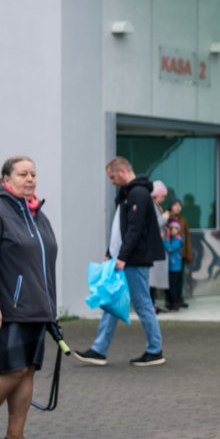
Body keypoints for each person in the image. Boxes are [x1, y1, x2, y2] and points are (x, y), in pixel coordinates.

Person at [0, 155, 58, 439]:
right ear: (7, 179)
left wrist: (50, 309)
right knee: (12, 370)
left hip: (36, 309)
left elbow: (42, 264)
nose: (30, 179)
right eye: (23, 174)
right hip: (6, 309)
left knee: (28, 370)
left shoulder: (36, 215)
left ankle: (15, 436)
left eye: (33, 173)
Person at [76, 157, 167, 367]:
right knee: (112, 302)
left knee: (141, 303)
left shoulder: (137, 193)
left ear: (122, 171)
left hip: (131, 260)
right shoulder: (131, 193)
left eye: (112, 176)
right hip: (125, 259)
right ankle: (99, 350)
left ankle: (155, 350)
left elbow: (135, 229)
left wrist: (122, 256)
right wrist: (111, 252)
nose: (111, 181)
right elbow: (124, 228)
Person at [148, 180, 170, 312]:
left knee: (154, 279)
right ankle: (151, 306)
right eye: (163, 195)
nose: (164, 198)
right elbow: (153, 224)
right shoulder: (152, 205)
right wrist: (165, 217)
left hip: (156, 246)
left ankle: (153, 305)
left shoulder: (155, 205)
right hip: (153, 247)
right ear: (156, 194)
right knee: (151, 278)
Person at [166, 198, 193, 305]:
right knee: (169, 279)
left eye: (179, 205)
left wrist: (188, 253)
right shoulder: (166, 218)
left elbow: (187, 238)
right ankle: (170, 300)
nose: (178, 207)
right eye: (175, 205)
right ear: (171, 206)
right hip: (168, 253)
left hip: (180, 254)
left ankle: (178, 299)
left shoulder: (183, 220)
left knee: (179, 278)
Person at [164, 221, 186, 312]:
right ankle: (172, 303)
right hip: (172, 266)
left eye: (174, 228)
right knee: (172, 286)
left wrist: (164, 240)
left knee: (173, 286)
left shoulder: (177, 240)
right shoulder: (174, 238)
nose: (172, 230)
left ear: (178, 230)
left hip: (174, 267)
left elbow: (170, 248)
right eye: (171, 228)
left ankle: (175, 304)